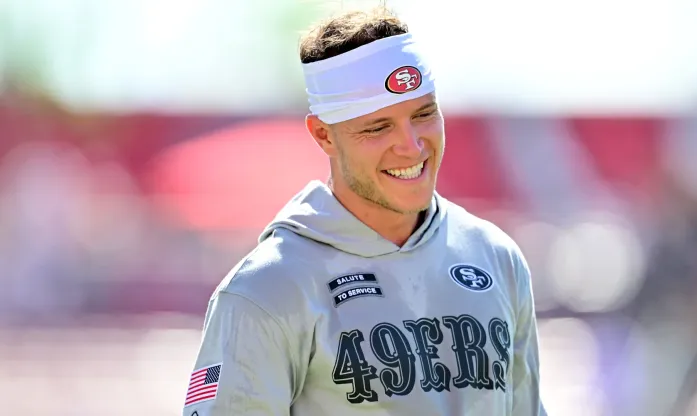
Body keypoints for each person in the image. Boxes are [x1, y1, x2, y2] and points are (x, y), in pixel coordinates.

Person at [183, 7, 547, 416]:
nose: (411, 146)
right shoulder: (266, 291)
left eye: (424, 114)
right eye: (378, 127)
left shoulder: (497, 258)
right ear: (324, 135)